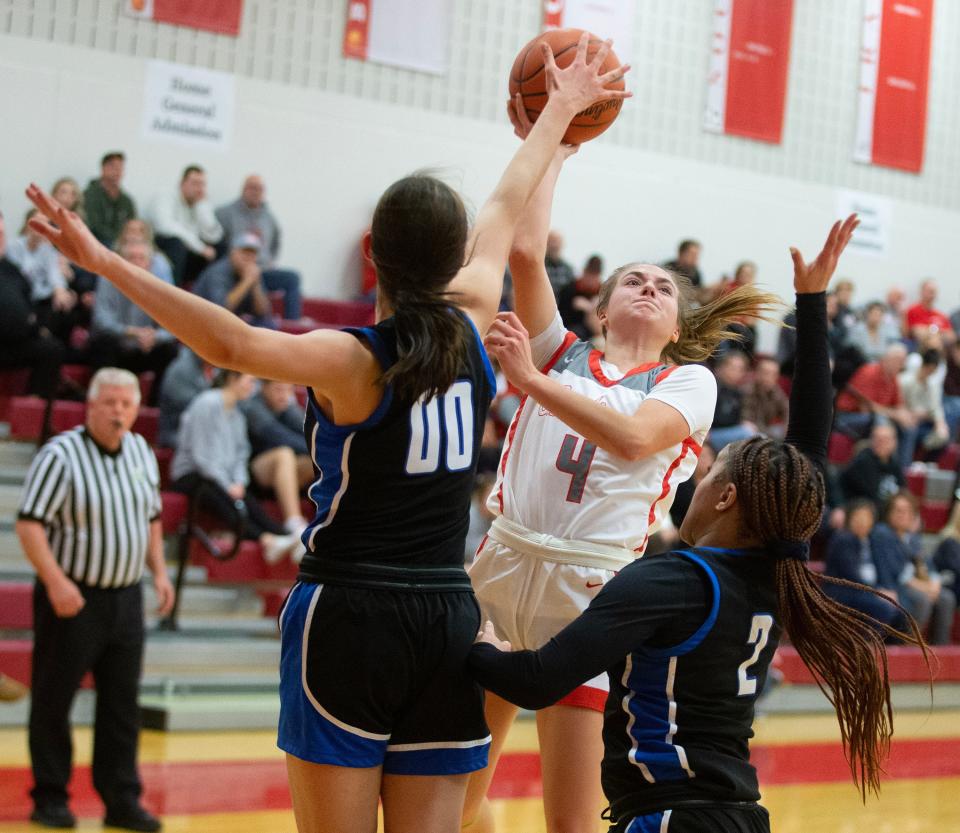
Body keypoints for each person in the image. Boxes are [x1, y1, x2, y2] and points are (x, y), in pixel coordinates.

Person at [25, 34, 628, 833]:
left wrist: (104, 260)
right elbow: (506, 204)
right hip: (446, 614)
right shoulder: (475, 319)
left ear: (372, 254)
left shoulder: (351, 361)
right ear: (457, 258)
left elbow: (231, 342)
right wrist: (557, 109)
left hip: (351, 614)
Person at [468, 216, 930, 833]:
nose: (695, 471)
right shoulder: (766, 569)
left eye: (710, 471)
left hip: (670, 819)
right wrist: (813, 302)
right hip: (732, 811)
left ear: (726, 498)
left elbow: (538, 677)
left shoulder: (669, 583)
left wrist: (463, 634)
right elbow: (810, 446)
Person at [462, 101, 781, 833]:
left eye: (664, 287)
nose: (649, 287)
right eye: (634, 280)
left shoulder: (687, 381)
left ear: (676, 325)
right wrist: (554, 144)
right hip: (502, 564)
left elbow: (638, 440)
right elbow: (522, 252)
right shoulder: (563, 351)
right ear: (601, 310)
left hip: (592, 590)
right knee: (453, 796)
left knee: (570, 821)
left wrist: (532, 382)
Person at [16, 368, 174, 832]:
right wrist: (56, 581)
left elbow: (152, 519)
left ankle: (121, 799)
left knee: (122, 705)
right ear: (91, 406)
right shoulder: (60, 455)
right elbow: (29, 524)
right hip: (73, 597)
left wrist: (160, 572)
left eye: (127, 404)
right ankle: (50, 796)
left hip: (126, 596)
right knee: (53, 699)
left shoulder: (142, 453)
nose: (120, 412)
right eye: (111, 403)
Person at [170, 371, 303, 564]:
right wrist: (227, 484)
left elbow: (242, 454)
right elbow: (202, 457)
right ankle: (266, 539)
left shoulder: (237, 414)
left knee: (247, 499)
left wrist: (239, 481)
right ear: (233, 379)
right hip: (193, 474)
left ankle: (284, 535)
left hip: (222, 477)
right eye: (250, 381)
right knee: (222, 496)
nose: (253, 386)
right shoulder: (207, 402)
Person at [88, 239, 179, 401]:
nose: (136, 262)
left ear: (149, 263)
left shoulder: (159, 286)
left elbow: (174, 327)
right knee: (101, 343)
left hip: (146, 347)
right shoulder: (108, 279)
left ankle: (155, 405)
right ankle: (100, 400)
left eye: (141, 258)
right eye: (131, 257)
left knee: (170, 351)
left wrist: (154, 336)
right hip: (118, 344)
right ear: (122, 260)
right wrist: (131, 332)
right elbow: (101, 321)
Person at [872, 491, 957, 645]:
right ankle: (909, 645)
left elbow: (928, 563)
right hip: (894, 586)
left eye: (906, 511)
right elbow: (897, 573)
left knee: (947, 598)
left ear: (913, 515)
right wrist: (925, 587)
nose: (902, 515)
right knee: (922, 600)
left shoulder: (912, 536)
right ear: (889, 513)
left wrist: (935, 583)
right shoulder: (882, 534)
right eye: (898, 510)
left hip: (917, 584)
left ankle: (940, 647)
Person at [215, 175, 303, 320]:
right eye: (252, 188)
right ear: (243, 189)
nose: (255, 192)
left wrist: (267, 262)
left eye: (259, 189)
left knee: (292, 278)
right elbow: (217, 240)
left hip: (261, 271)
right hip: (234, 273)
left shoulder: (270, 218)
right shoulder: (225, 213)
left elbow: (275, 243)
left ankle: (292, 326)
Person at [0, 210, 65, 399]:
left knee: (51, 349)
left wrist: (36, 328)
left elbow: (27, 305)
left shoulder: (12, 270)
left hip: (15, 342)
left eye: (3, 234)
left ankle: (32, 411)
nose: (1, 239)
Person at [241, 380, 314, 528]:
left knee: (317, 461)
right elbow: (280, 437)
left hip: (285, 473)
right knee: (284, 453)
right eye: (279, 390)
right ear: (264, 388)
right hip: (252, 474)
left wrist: (324, 451)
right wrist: (319, 450)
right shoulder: (253, 408)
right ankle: (293, 522)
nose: (284, 395)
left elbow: (310, 433)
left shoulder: (287, 407)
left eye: (289, 391)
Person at [823, 499, 903, 631]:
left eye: (866, 517)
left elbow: (881, 569)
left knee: (900, 611)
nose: (862, 522)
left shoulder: (871, 540)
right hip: (844, 591)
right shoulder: (844, 539)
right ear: (849, 519)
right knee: (884, 609)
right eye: (858, 517)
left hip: (866, 590)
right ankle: (868, 646)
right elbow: (851, 576)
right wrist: (877, 592)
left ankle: (892, 649)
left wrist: (885, 590)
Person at [7, 208, 79, 343]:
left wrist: (60, 291)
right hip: (20, 296)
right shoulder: (13, 246)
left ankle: (56, 346)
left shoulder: (47, 249)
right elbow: (15, 276)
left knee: (66, 299)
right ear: (28, 223)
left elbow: (54, 274)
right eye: (37, 222)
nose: (40, 227)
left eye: (45, 223)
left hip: (40, 299)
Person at [150, 165, 223, 286]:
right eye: (195, 183)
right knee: (177, 244)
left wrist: (203, 207)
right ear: (181, 184)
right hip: (163, 246)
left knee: (220, 248)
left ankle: (204, 294)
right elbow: (166, 227)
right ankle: (173, 293)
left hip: (190, 251)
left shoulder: (200, 205)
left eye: (202, 185)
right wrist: (200, 248)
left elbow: (214, 236)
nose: (199, 189)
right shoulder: (166, 196)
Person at [192, 234, 276, 329]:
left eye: (253, 254)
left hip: (230, 323)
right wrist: (247, 282)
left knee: (268, 324)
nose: (249, 258)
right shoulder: (218, 272)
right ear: (233, 253)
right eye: (245, 253)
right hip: (203, 323)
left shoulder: (252, 273)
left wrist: (255, 286)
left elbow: (263, 312)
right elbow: (221, 309)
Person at [837, 422, 905, 509]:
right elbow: (872, 498)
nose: (881, 443)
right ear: (871, 440)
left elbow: (903, 491)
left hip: (885, 511)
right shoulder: (863, 462)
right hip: (862, 511)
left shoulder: (893, 462)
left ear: (894, 442)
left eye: (886, 440)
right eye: (878, 439)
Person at [157, 348, 212, 448]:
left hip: (203, 432)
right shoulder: (180, 370)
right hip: (176, 431)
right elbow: (192, 409)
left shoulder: (212, 367)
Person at [84, 151, 137, 246]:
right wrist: (117, 239)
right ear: (103, 168)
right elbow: (93, 226)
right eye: (113, 167)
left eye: (120, 168)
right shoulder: (89, 195)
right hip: (95, 243)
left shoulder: (126, 200)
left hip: (121, 244)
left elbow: (132, 223)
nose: (117, 171)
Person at [742, 354, 788, 439]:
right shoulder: (747, 390)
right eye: (766, 373)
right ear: (757, 373)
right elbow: (748, 420)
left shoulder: (776, 392)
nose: (769, 377)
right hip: (749, 431)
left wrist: (786, 430)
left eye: (774, 374)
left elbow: (787, 410)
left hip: (765, 431)